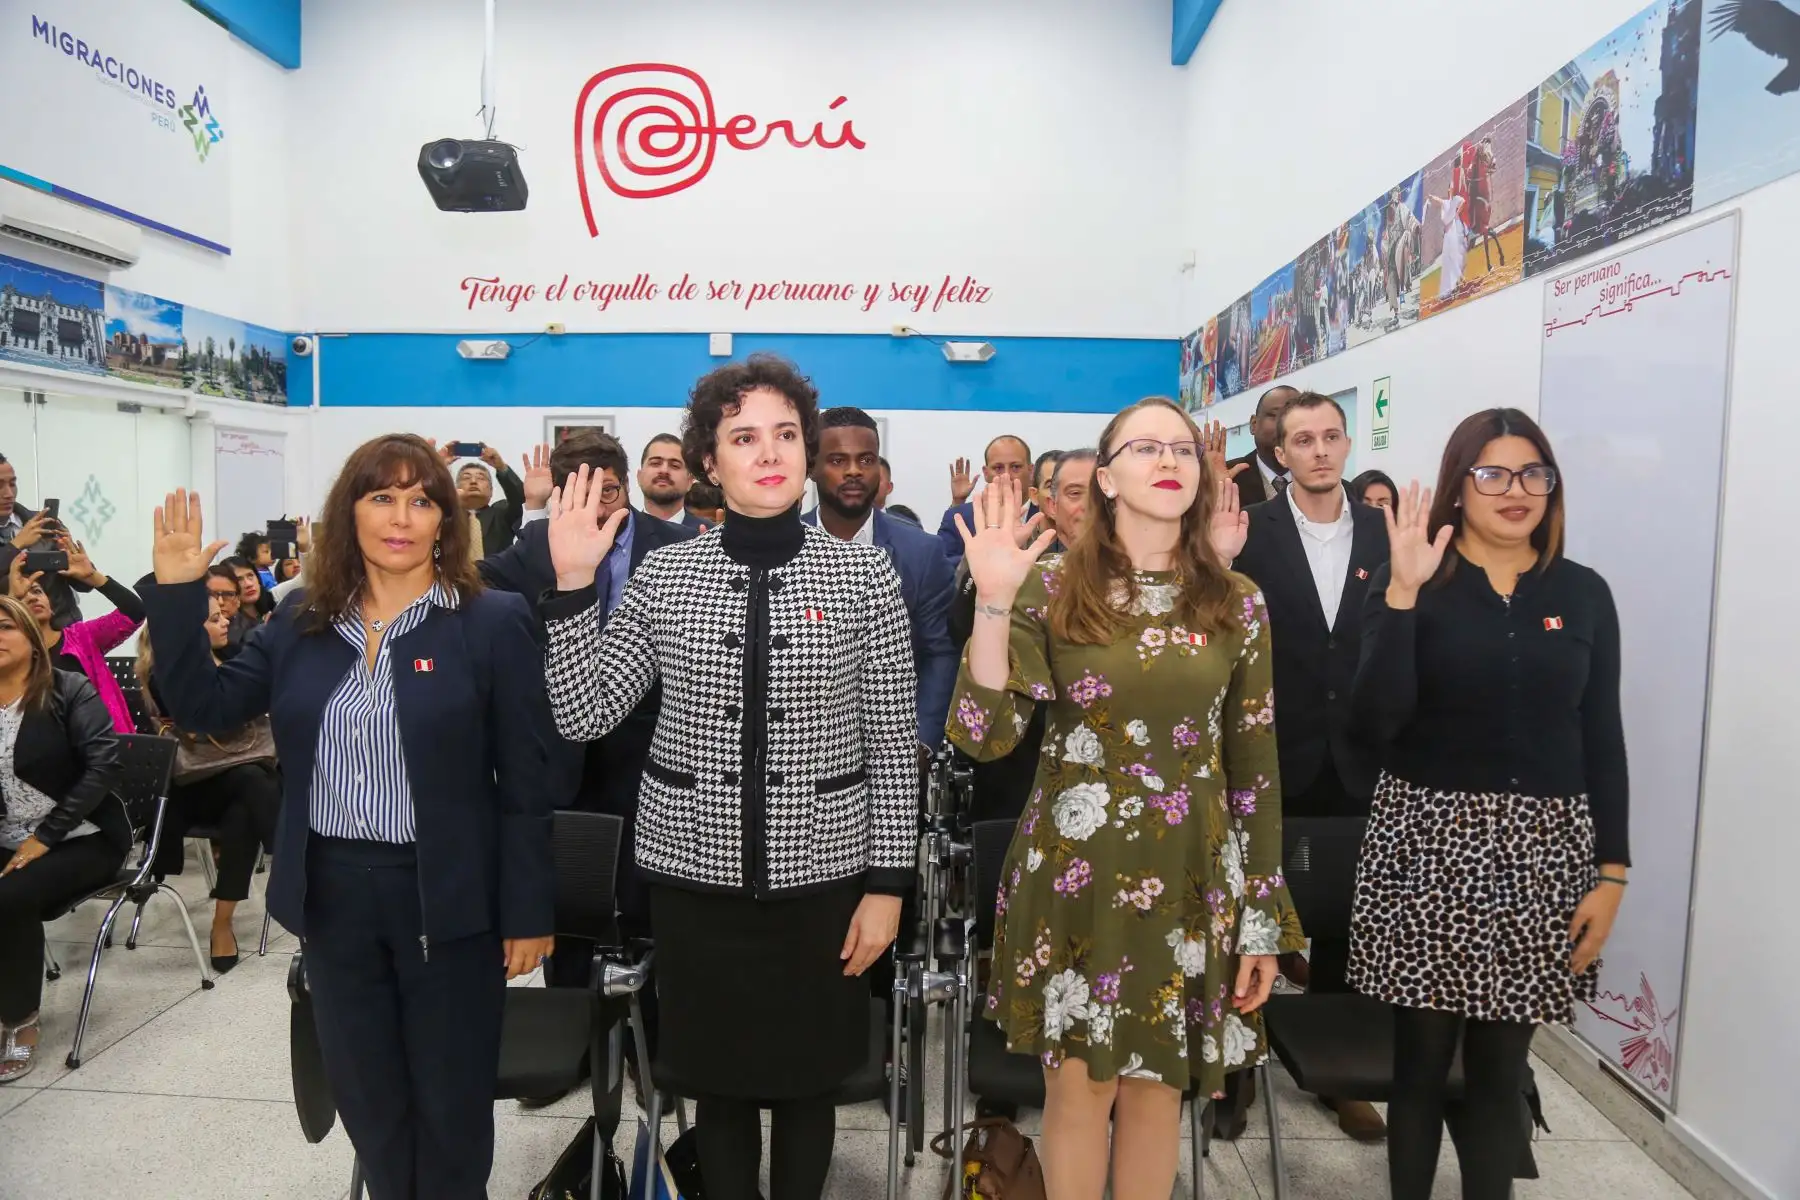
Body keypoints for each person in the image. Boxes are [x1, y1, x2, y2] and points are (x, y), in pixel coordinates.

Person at [140, 436, 556, 1200]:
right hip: (332, 895)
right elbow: (206, 709)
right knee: (369, 1101)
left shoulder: (491, 621)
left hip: (449, 898)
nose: (401, 517)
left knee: (451, 1104)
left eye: (421, 499)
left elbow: (529, 780)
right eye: (381, 496)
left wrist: (530, 911)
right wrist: (172, 599)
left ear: (446, 519)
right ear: (348, 510)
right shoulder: (303, 617)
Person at [541, 355, 915, 1200]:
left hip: (825, 877)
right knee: (721, 1086)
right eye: (744, 437)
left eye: (786, 433)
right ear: (711, 460)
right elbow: (587, 713)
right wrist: (570, 586)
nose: (770, 452)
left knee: (810, 1084)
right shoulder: (667, 573)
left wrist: (890, 885)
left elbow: (893, 741)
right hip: (695, 881)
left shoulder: (864, 575)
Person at [947, 397, 1302, 1200]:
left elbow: (1256, 766)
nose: (1170, 459)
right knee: (1079, 1092)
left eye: (1183, 447)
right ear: (1105, 478)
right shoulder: (1053, 587)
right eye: (1145, 447)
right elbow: (983, 733)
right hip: (1077, 872)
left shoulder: (1235, 601)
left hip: (1191, 876)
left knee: (1159, 1091)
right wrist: (995, 603)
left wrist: (1262, 917)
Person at [1350, 408, 1628, 1200]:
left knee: (1503, 1068)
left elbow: (1602, 738)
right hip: (1427, 840)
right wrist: (1400, 595)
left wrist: (1613, 874)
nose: (1518, 491)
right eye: (1494, 474)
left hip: (1545, 849)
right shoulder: (1412, 577)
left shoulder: (1582, 593)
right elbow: (1376, 721)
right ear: (1458, 484)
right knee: (1422, 1064)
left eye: (1535, 474)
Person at [1224, 390, 1390, 1141]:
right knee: (1246, 915)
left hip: (1361, 755)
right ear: (1279, 453)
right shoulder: (1246, 534)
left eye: (1331, 436)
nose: (1319, 450)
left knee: (1347, 922)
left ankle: (1340, 1078)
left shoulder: (1390, 535)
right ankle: (1234, 1075)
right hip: (1269, 754)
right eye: (1303, 440)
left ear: (1347, 444)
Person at [481, 429, 694, 1007]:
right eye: (582, 495)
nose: (599, 509)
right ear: (557, 497)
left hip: (652, 750)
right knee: (568, 894)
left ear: (626, 489)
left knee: (646, 897)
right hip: (557, 754)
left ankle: (645, 1030)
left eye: (610, 493)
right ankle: (569, 1023)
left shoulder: (680, 549)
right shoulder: (522, 557)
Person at [0, 594, 126, 1083]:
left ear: (33, 640)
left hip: (81, 834)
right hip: (9, 832)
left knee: (9, 896)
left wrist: (45, 838)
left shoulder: (68, 689)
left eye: (6, 627)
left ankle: (19, 1020)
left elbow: (103, 766)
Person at [138, 597, 280, 973]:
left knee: (245, 810)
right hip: (192, 787)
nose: (225, 624)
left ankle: (223, 923)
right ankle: (296, 866)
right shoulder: (164, 672)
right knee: (256, 780)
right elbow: (211, 720)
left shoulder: (230, 655)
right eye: (214, 619)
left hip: (237, 784)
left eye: (223, 617)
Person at [806, 407, 957, 753]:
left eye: (866, 459)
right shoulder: (783, 546)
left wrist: (921, 741)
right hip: (800, 753)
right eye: (837, 460)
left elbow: (940, 653)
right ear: (812, 468)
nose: (854, 471)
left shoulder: (922, 552)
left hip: (892, 749)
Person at [8, 541, 144, 734]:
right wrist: (12, 598)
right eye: (23, 596)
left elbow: (134, 611)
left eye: (38, 591)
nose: (32, 598)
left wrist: (93, 577)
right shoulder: (10, 651)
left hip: (101, 742)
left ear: (51, 606)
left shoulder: (82, 636)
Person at [0, 457, 92, 631]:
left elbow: (85, 585)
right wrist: (16, 545)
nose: (8, 494)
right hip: (9, 638)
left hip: (62, 632)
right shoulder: (25, 535)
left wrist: (80, 566)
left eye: (12, 484)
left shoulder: (44, 523)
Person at [938, 435, 1033, 559]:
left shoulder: (1048, 515)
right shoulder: (959, 518)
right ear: (986, 473)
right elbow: (943, 570)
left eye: (1016, 467)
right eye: (998, 468)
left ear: (1031, 471)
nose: (1006, 475)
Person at [447, 443, 525, 558]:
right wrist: (438, 465)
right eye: (466, 478)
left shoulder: (501, 513)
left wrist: (501, 467)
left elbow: (520, 500)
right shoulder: (444, 516)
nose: (473, 481)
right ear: (455, 488)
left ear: (491, 490)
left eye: (480, 478)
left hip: (495, 575)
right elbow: (435, 550)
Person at [1228, 385, 1297, 507]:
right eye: (1275, 415)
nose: (1285, 425)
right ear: (1254, 424)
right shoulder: (1227, 476)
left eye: (1296, 417)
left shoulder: (1324, 480)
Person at [636, 434, 705, 530]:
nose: (664, 470)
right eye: (655, 463)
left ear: (689, 481)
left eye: (675, 465)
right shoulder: (622, 533)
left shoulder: (709, 534)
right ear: (639, 476)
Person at [223, 557, 275, 621]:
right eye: (239, 580)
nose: (248, 584)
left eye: (250, 575)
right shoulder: (227, 623)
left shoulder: (273, 606)